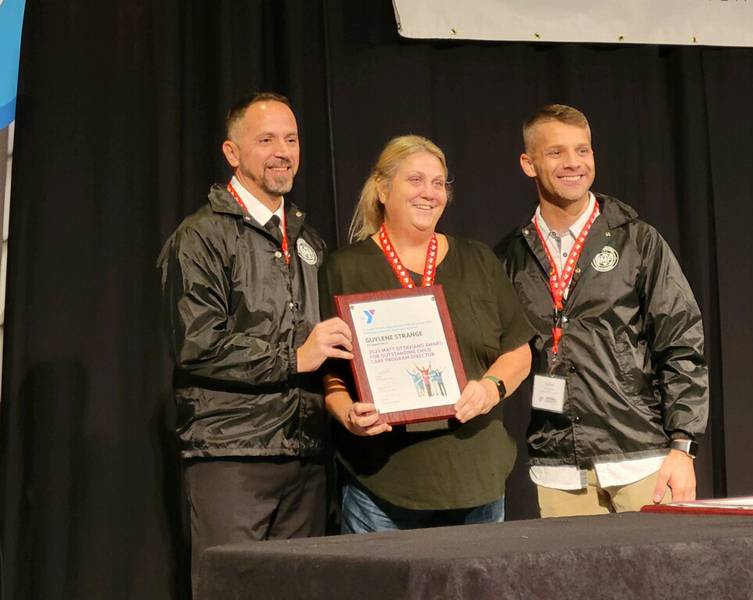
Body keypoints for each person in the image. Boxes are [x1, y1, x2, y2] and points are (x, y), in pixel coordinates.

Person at [158, 92, 353, 592]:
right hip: (232, 453)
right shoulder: (200, 236)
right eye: (266, 140)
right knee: (234, 590)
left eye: (291, 139)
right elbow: (198, 343)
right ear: (232, 152)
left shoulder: (310, 241)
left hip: (307, 451)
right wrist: (295, 357)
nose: (282, 151)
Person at [495, 104, 708, 517]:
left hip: (641, 458)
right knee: (572, 584)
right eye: (556, 153)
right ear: (528, 163)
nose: (573, 163)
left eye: (583, 151)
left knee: (656, 581)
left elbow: (682, 343)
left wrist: (683, 447)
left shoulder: (637, 240)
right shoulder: (510, 256)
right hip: (558, 467)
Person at [319, 135, 534, 533]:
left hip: (475, 480)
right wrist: (348, 414)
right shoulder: (344, 269)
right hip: (381, 482)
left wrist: (490, 388)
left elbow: (519, 352)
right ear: (382, 189)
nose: (430, 193)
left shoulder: (479, 260)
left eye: (439, 183)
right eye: (415, 180)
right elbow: (330, 373)